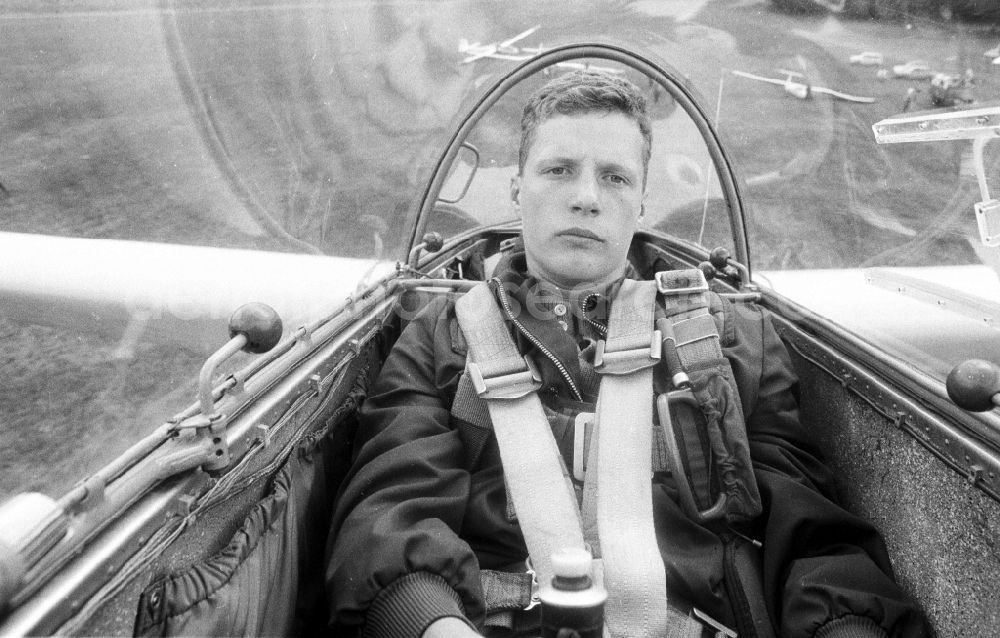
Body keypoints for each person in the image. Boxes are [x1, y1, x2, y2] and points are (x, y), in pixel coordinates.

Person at [325, 70, 926, 638]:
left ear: (641, 201)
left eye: (614, 177)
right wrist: (435, 624)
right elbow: (391, 510)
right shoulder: (442, 333)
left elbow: (811, 538)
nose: (585, 197)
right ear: (517, 188)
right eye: (558, 170)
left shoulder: (733, 336)